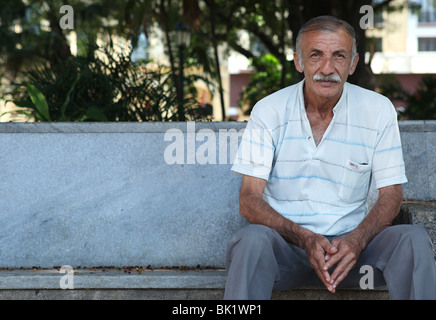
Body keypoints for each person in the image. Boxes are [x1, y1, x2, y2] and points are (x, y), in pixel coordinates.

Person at [225, 15, 436, 300]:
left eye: (339, 56)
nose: (327, 68)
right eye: (315, 55)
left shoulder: (378, 109)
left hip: (355, 255)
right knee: (251, 242)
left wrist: (357, 239)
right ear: (299, 61)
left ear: (353, 63)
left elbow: (392, 195)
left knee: (414, 240)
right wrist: (305, 238)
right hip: (287, 251)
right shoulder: (269, 111)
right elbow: (248, 200)